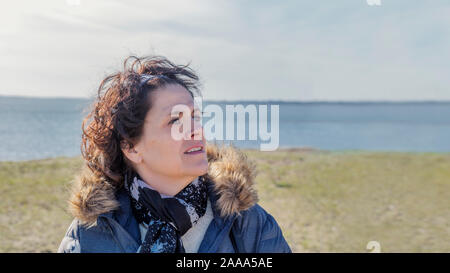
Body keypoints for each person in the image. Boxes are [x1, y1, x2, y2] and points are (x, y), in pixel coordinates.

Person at [58, 55, 292, 253]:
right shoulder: (90, 234)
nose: (196, 131)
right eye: (175, 120)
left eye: (195, 117)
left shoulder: (246, 222)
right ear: (131, 147)